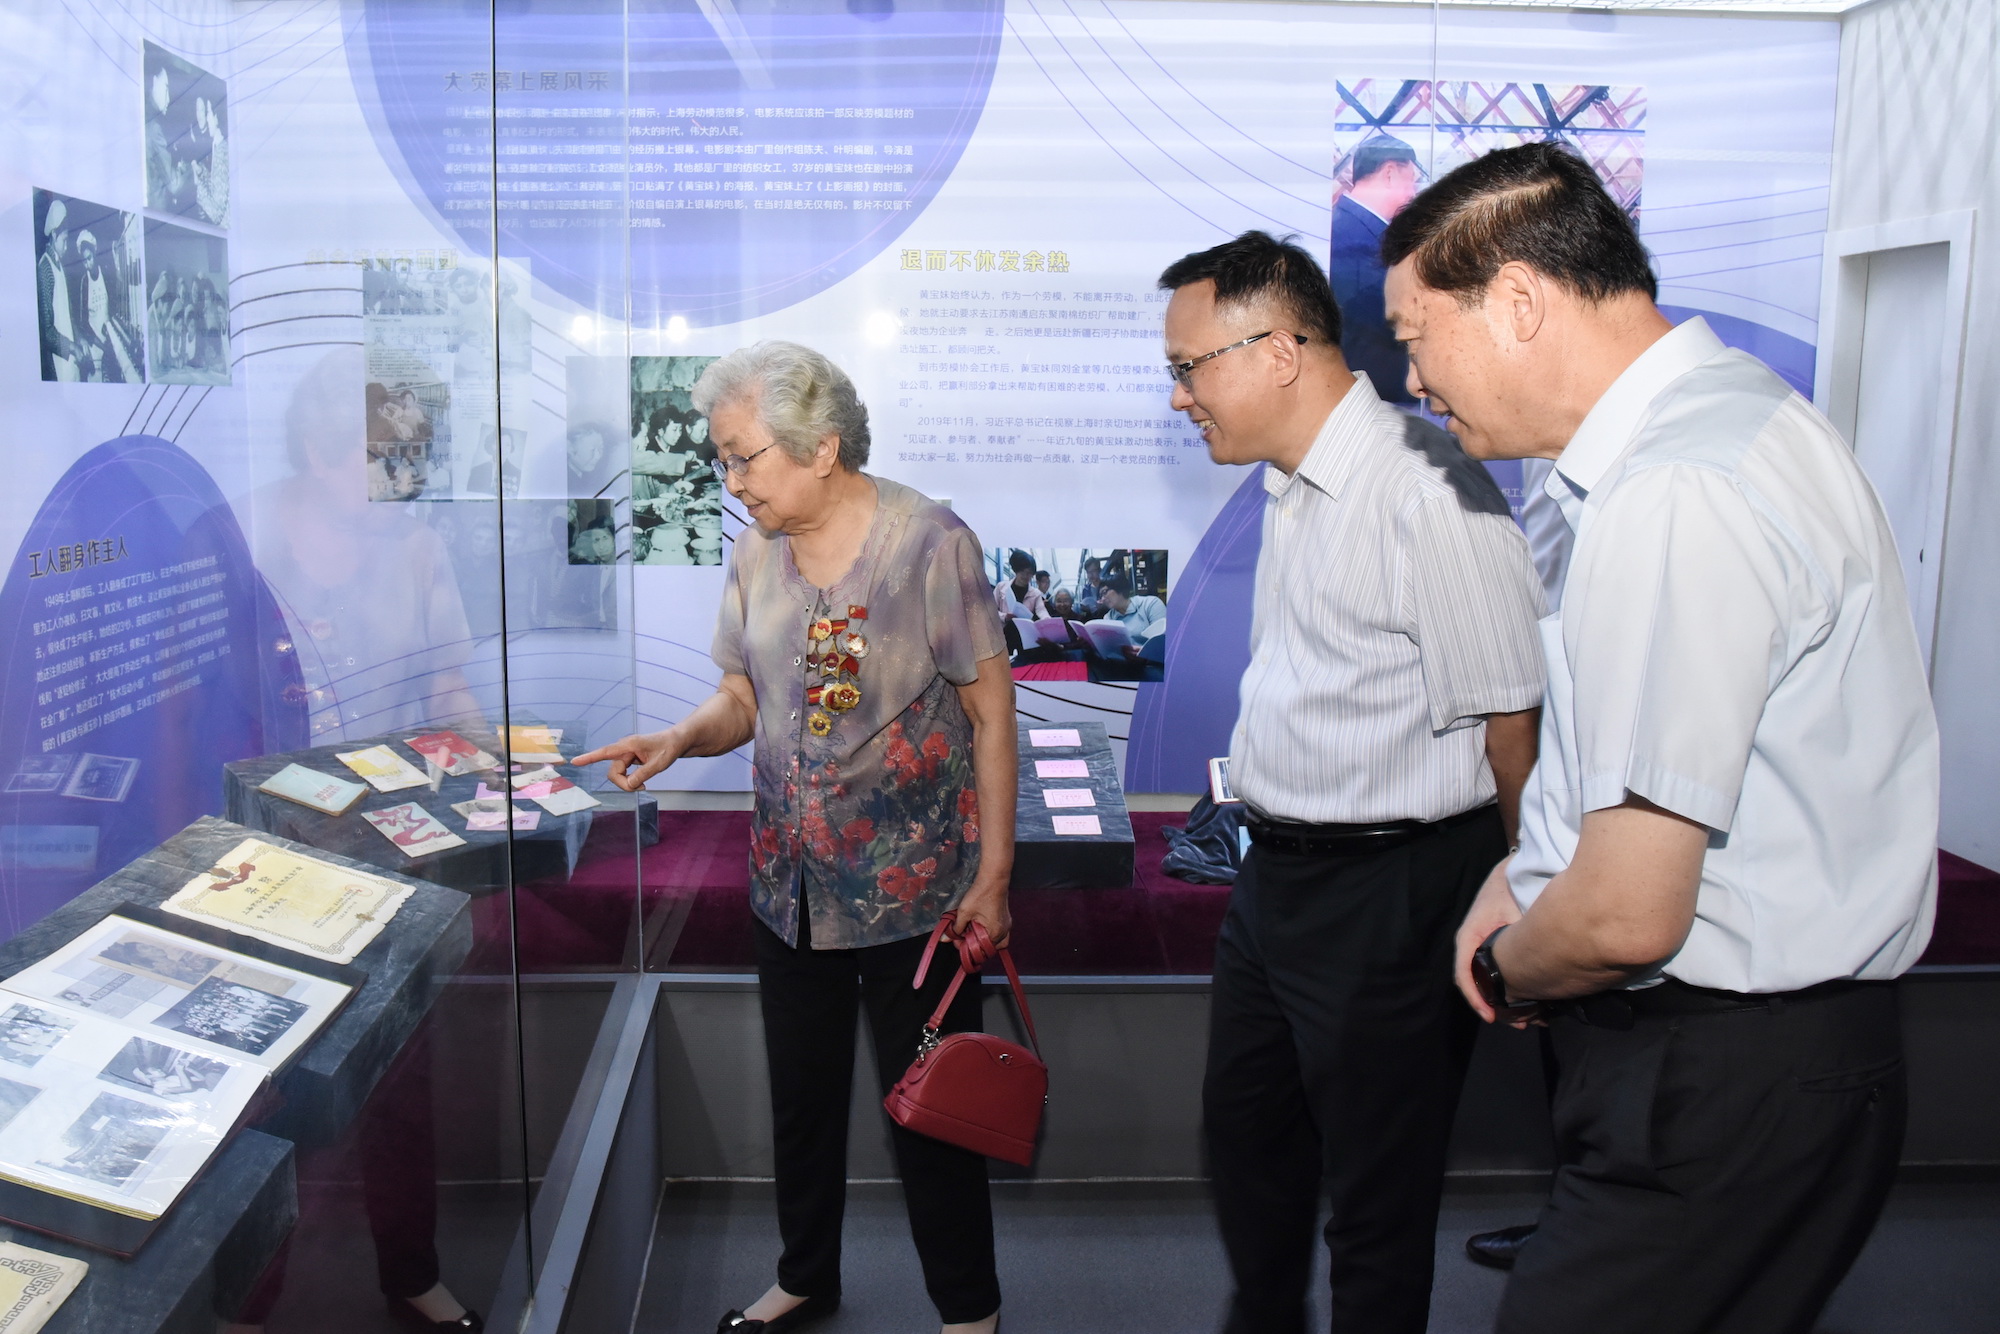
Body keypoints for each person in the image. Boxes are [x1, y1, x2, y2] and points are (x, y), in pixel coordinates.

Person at [1379, 141, 1938, 1334]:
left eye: (1416, 336)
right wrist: (1519, 871)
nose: (1412, 378)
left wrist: (1506, 966)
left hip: (1716, 1073)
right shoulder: (1730, 421)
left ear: (1516, 299)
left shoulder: (1674, 489)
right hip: (1766, 1064)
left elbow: (1627, 916)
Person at [575, 341, 1015, 1334]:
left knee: (933, 1112)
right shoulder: (756, 551)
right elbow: (743, 697)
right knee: (801, 1102)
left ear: (820, 447)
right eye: (722, 460)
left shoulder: (929, 543)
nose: (732, 482)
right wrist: (679, 737)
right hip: (789, 887)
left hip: (916, 898)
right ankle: (805, 1273)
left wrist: (993, 875)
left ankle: (968, 1311)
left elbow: (992, 713)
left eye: (744, 458)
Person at [1160, 229, 1545, 1334]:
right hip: (1275, 877)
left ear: (1278, 351)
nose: (1180, 397)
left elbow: (1512, 726)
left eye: (1189, 368)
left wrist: (1523, 898)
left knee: (1376, 1189)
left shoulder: (1429, 490)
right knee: (1247, 1136)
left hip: (1396, 889)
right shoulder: (1290, 480)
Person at [1329, 135, 1421, 406]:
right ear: (1389, 173)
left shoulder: (1347, 226)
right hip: (1373, 395)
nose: (1414, 193)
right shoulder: (1356, 239)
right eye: (1412, 180)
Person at [36, 199, 80, 382]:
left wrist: (79, 339)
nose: (67, 246)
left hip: (71, 363)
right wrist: (71, 347)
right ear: (54, 235)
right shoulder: (45, 268)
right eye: (64, 240)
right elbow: (46, 331)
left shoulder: (59, 266)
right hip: (58, 366)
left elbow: (67, 315)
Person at [1095, 577, 1166, 662]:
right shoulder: (1108, 617)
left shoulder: (1150, 604)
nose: (1103, 599)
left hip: (1152, 663)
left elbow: (1163, 643)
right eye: (1101, 596)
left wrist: (1145, 653)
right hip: (1121, 664)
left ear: (1118, 587)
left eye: (1104, 592)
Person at [992, 548, 1046, 621]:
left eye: (1029, 573)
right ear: (1016, 570)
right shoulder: (1001, 587)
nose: (1025, 576)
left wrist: (1048, 621)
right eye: (1022, 572)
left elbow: (1042, 611)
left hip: (1025, 628)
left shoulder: (1036, 594)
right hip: (1004, 627)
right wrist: (1004, 616)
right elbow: (990, 610)